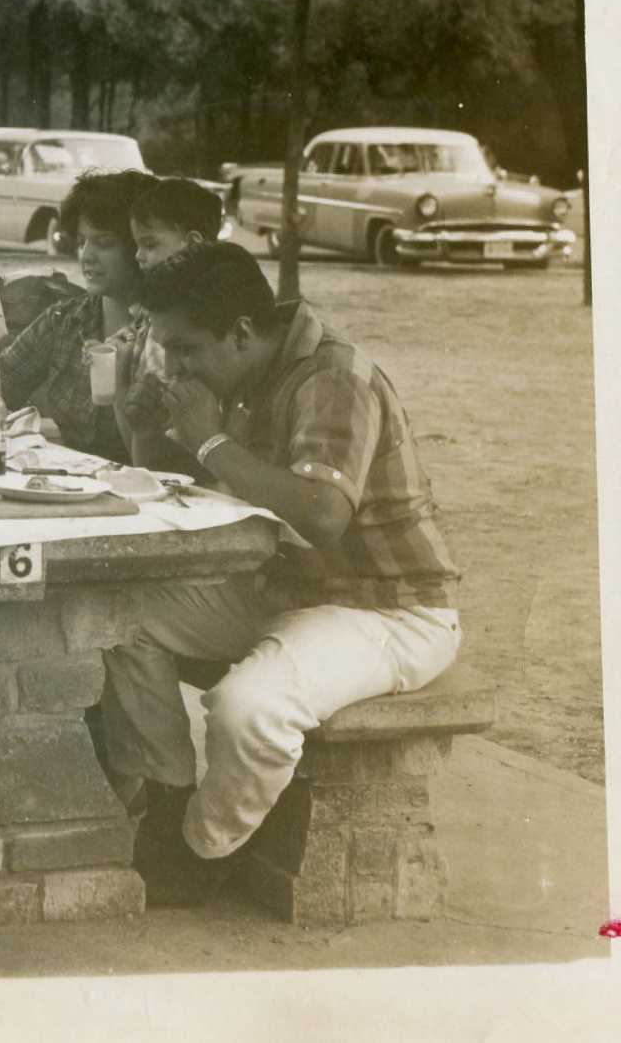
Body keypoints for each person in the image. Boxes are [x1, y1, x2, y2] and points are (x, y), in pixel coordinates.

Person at [95, 242, 462, 904]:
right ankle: (170, 794)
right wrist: (147, 419)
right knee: (121, 618)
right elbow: (181, 471)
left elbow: (323, 514)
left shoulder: (334, 375)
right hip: (291, 590)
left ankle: (202, 851)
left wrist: (209, 439)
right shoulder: (243, 371)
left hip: (389, 609)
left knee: (249, 709)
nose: (173, 365)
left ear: (240, 333)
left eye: (184, 350)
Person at [0, 169, 154, 459]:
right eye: (81, 242)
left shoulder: (166, 332)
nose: (86, 255)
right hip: (73, 486)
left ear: (139, 246)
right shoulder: (65, 320)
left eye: (104, 243)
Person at [113, 176, 227, 472]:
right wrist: (119, 377)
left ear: (191, 244)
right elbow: (138, 437)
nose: (138, 256)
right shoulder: (149, 321)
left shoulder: (212, 323)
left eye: (150, 244)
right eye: (137, 245)